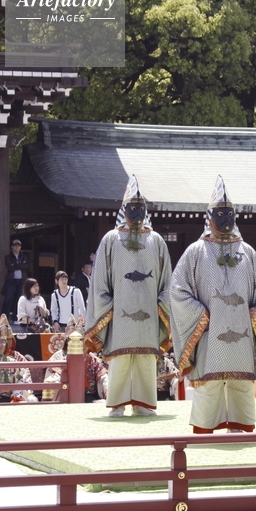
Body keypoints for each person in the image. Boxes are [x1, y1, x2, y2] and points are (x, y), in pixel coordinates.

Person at [171, 176, 256, 433]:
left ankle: (239, 426)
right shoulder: (196, 251)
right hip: (210, 332)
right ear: (209, 217)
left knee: (242, 383)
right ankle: (206, 429)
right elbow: (177, 289)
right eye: (220, 214)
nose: (225, 219)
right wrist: (200, 315)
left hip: (241, 330)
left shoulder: (247, 251)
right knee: (210, 384)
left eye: (229, 214)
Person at [85, 176, 173, 418]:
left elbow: (167, 281)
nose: (136, 212)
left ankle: (144, 402)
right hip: (120, 314)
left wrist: (161, 306)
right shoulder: (111, 239)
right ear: (124, 210)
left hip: (149, 313)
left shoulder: (156, 241)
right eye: (132, 208)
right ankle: (117, 403)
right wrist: (109, 307)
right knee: (120, 359)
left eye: (140, 208)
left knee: (146, 358)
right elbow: (99, 281)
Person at [2, 239, 30, 319]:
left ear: (20, 247)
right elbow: (9, 267)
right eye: (15, 246)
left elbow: (26, 266)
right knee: (8, 299)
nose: (17, 247)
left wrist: (15, 265)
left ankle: (16, 317)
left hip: (21, 281)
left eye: (18, 246)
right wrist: (20, 265)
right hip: (11, 281)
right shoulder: (8, 257)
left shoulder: (24, 257)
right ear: (12, 247)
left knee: (19, 300)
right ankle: (4, 318)